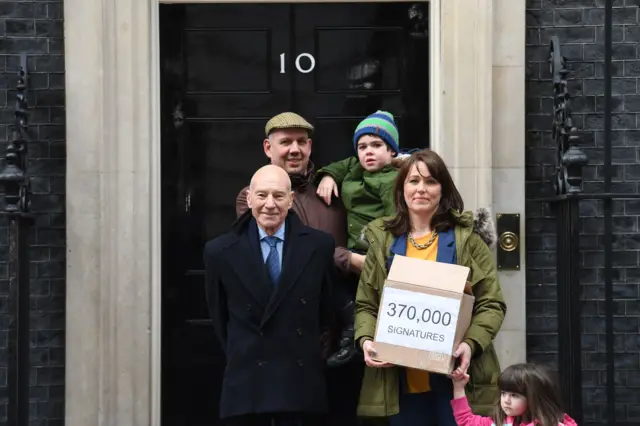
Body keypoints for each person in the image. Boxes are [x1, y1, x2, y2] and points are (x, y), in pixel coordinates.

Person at [354, 149, 507, 425]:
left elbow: (491, 304)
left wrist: (471, 345)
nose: (421, 189)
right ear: (401, 190)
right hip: (399, 382)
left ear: (443, 189)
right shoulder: (383, 241)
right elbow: (366, 304)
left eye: (430, 181)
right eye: (413, 181)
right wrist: (366, 341)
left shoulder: (468, 240)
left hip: (456, 384)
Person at [234, 113, 361, 425]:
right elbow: (296, 251)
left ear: (310, 146)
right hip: (288, 344)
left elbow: (394, 168)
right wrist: (352, 260)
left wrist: (331, 175)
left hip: (343, 335)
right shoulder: (252, 198)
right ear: (268, 147)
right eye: (285, 142)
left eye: (301, 142)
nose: (294, 149)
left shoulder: (335, 190)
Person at [204, 165, 336, 426]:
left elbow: (326, 310)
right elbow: (219, 319)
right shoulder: (219, 252)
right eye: (262, 195)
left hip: (300, 382)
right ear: (249, 198)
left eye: (278, 196)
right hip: (247, 383)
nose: (270, 204)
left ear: (291, 200)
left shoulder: (320, 246)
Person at [315, 110, 411, 366]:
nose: (368, 152)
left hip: (377, 251)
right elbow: (341, 165)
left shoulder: (394, 180)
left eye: (377, 145)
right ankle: (353, 332)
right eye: (362, 146)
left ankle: (359, 339)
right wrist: (327, 175)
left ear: (392, 151)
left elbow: (396, 221)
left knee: (371, 302)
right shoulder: (355, 168)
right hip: (352, 250)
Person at [451, 363, 578, 426]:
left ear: (533, 398)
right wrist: (458, 387)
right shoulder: (498, 423)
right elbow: (466, 421)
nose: (506, 400)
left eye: (514, 395)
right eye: (503, 393)